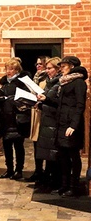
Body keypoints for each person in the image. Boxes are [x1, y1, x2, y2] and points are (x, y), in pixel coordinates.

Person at [37, 56, 87, 197]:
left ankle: (73, 186)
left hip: (70, 125)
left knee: (73, 156)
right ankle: (64, 185)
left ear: (72, 66)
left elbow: (79, 106)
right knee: (63, 157)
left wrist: (74, 125)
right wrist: (46, 99)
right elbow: (60, 104)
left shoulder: (78, 82)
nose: (61, 68)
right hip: (61, 123)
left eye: (64, 66)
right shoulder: (65, 82)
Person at [0, 58, 31, 180]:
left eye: (11, 69)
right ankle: (9, 169)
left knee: (18, 146)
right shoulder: (4, 83)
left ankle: (19, 170)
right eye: (7, 69)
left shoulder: (21, 82)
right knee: (6, 145)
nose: (9, 71)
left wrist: (14, 100)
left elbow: (27, 99)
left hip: (17, 118)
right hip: (6, 118)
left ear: (17, 70)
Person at [34, 57, 61, 192]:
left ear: (57, 69)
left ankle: (55, 182)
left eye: (50, 68)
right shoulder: (50, 82)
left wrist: (43, 103)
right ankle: (48, 179)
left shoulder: (59, 83)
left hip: (53, 123)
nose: (47, 70)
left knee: (53, 154)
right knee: (48, 154)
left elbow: (58, 105)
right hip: (47, 121)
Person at [27, 56, 49, 183]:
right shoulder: (36, 77)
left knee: (44, 142)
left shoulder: (47, 78)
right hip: (35, 111)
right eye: (37, 64)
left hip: (43, 112)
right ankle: (38, 170)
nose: (38, 66)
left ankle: (47, 172)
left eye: (41, 64)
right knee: (36, 143)